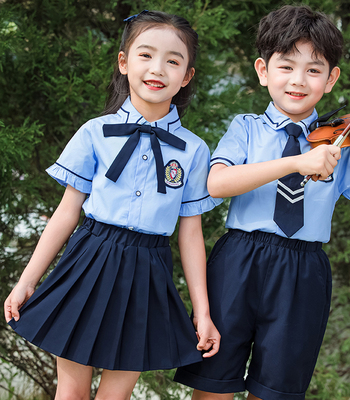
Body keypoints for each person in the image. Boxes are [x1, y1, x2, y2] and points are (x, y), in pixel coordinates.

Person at [174, 5, 350, 400]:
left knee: (275, 391)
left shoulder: (342, 141)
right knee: (212, 385)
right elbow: (217, 183)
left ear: (331, 80)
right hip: (238, 262)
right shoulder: (245, 127)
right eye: (286, 66)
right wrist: (297, 161)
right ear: (263, 71)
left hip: (303, 271)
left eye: (314, 70)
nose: (299, 80)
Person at [4, 10, 221, 400]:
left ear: (187, 75)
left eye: (173, 60)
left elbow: (191, 232)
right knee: (70, 390)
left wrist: (202, 312)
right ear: (123, 62)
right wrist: (26, 281)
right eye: (145, 55)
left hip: (148, 272)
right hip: (88, 259)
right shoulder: (94, 132)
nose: (158, 68)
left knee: (115, 396)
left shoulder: (194, 150)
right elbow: (66, 213)